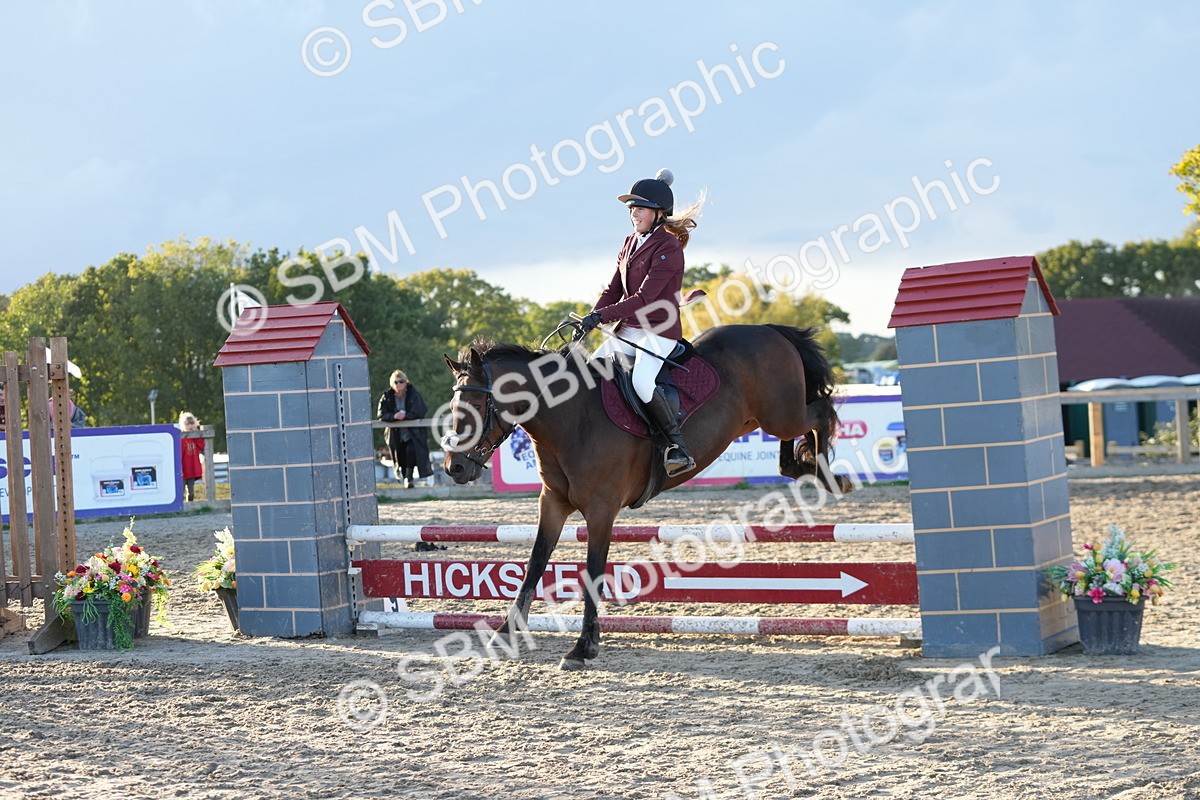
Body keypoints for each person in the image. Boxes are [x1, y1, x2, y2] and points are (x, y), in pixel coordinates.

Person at [580, 168, 704, 476]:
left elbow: (644, 297)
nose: (633, 213)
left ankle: (677, 447)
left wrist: (603, 316)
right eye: (631, 208)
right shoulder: (629, 242)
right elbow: (613, 290)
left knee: (641, 381)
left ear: (659, 213)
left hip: (659, 331)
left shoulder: (668, 247)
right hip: (629, 331)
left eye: (640, 208)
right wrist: (591, 317)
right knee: (585, 375)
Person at [377, 370, 433, 489]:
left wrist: (406, 415)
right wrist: (394, 416)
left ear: (406, 382)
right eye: (395, 382)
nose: (398, 384)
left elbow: (420, 410)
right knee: (399, 455)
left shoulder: (413, 394)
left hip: (413, 432)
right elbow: (381, 413)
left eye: (401, 381)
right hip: (395, 433)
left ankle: (409, 477)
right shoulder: (387, 396)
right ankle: (405, 477)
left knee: (411, 451)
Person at [179, 411, 204, 502]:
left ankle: (191, 504)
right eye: (187, 424)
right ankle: (181, 508)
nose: (190, 426)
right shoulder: (181, 439)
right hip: (183, 469)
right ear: (183, 425)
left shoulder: (196, 437)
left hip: (192, 468)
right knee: (180, 490)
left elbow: (201, 446)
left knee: (191, 491)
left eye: (192, 423)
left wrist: (197, 436)